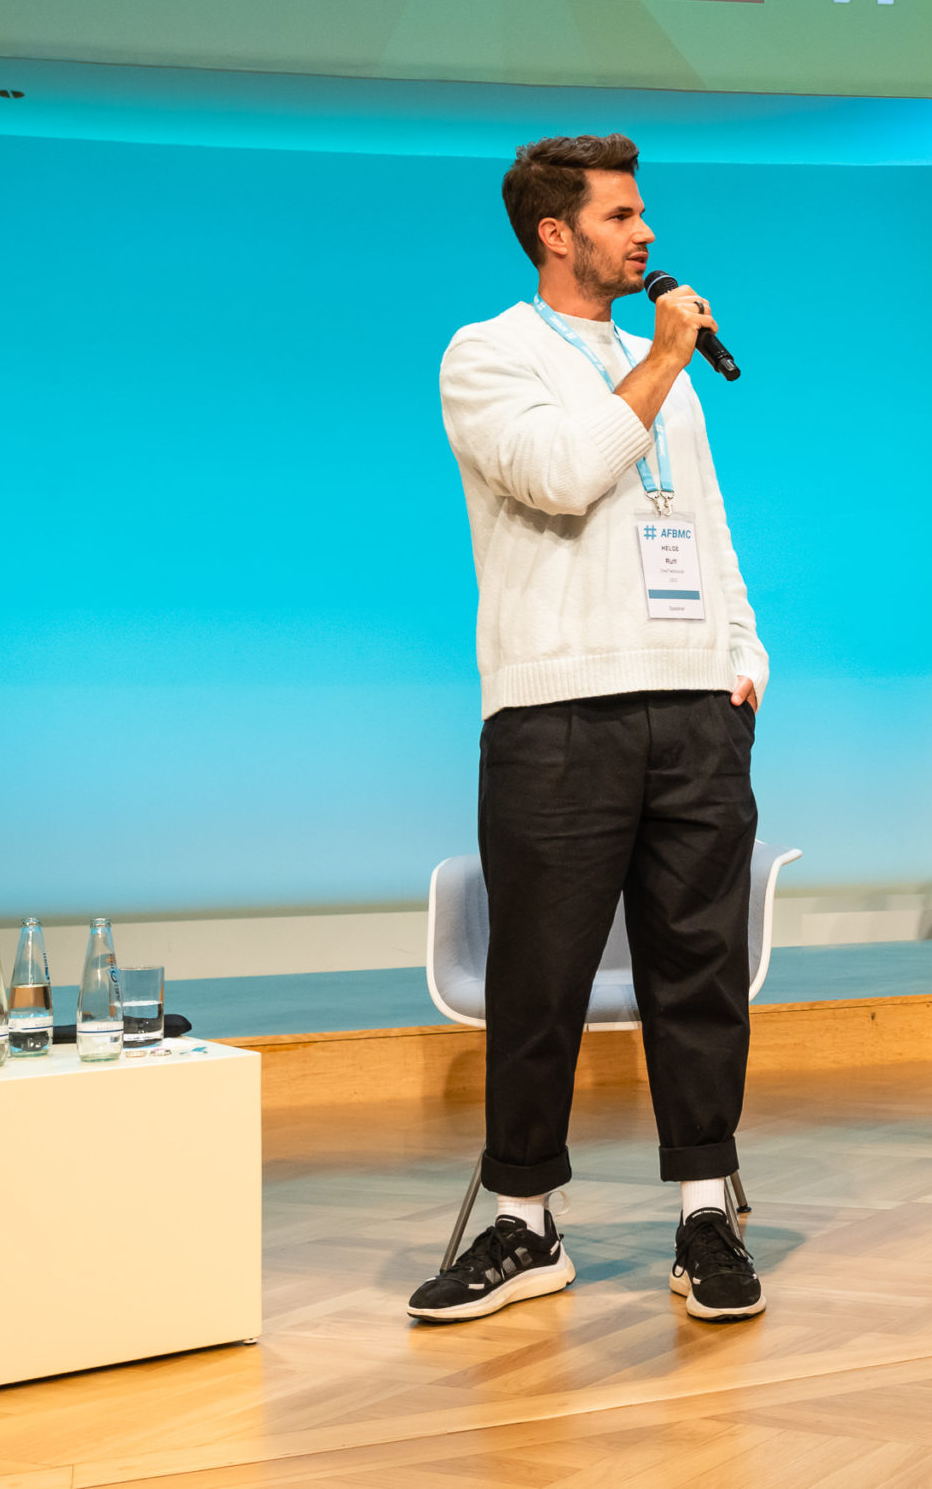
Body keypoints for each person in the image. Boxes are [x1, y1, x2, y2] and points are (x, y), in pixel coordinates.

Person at [411, 133, 770, 1324]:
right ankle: (525, 1224)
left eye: (642, 213)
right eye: (620, 216)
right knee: (539, 980)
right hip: (558, 712)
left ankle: (706, 1215)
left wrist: (743, 654)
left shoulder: (659, 368)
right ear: (554, 233)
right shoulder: (487, 353)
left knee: (701, 975)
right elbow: (561, 475)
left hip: (696, 708)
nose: (646, 233)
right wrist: (663, 358)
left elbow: (700, 522)